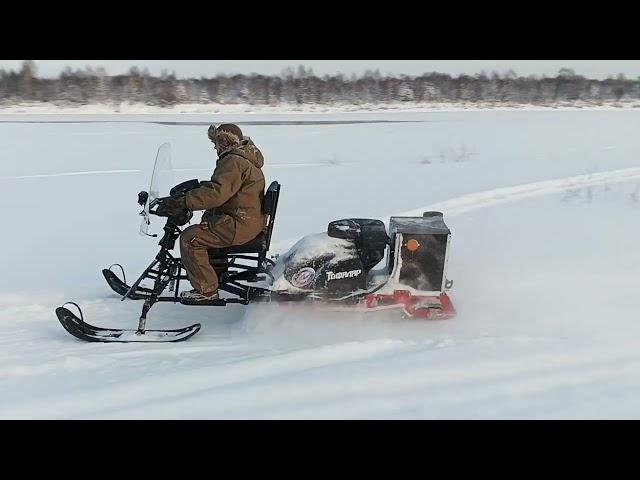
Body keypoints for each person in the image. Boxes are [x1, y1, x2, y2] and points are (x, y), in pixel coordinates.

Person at [159, 123, 266, 302]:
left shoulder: (234, 161)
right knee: (205, 226)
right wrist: (196, 191)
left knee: (190, 238)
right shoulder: (242, 158)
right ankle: (214, 273)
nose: (214, 147)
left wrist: (184, 201)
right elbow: (222, 188)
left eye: (216, 142)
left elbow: (216, 194)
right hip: (246, 221)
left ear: (224, 142)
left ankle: (206, 291)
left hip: (239, 225)